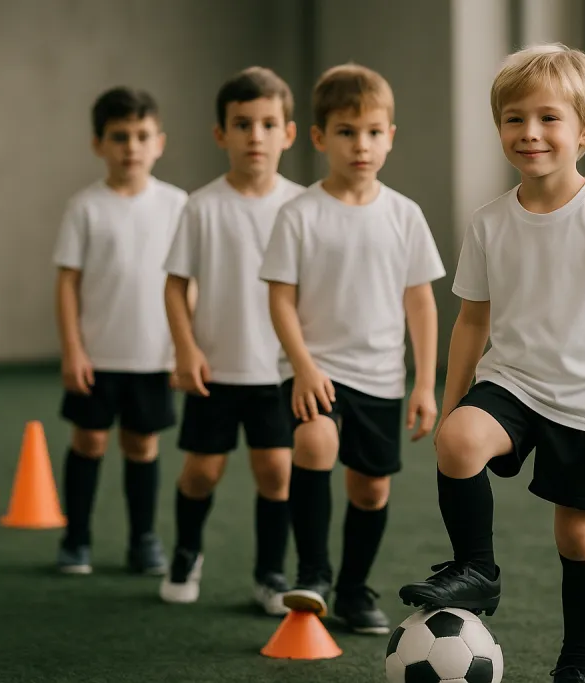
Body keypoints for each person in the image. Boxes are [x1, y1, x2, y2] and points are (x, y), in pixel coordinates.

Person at [398, 44, 585, 683]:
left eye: (549, 118)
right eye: (514, 118)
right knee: (460, 441)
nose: (530, 132)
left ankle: (577, 664)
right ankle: (477, 569)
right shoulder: (489, 222)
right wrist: (454, 401)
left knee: (579, 538)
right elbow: (472, 320)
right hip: (511, 382)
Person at [259, 63, 447, 635]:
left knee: (371, 488)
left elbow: (421, 304)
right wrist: (303, 367)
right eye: (346, 132)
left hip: (381, 378)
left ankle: (352, 590)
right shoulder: (298, 214)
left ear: (390, 136)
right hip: (314, 371)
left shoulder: (404, 215)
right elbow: (280, 300)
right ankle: (313, 575)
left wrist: (423, 383)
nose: (360, 145)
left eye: (372, 132)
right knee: (314, 441)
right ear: (319, 138)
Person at [157, 67, 304, 616]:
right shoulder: (201, 206)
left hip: (278, 373)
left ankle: (270, 573)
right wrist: (185, 348)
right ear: (221, 133)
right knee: (201, 473)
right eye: (243, 124)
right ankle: (186, 553)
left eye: (268, 124)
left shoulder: (303, 206)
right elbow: (175, 286)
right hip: (215, 370)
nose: (255, 136)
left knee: (277, 473)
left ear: (289, 133)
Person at [51, 87, 188, 576]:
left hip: (153, 356)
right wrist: (73, 350)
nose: (131, 146)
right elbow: (67, 283)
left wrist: (183, 348)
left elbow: (186, 283)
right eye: (119, 136)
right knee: (89, 441)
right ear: (98, 144)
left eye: (142, 136)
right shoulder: (84, 207)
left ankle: (143, 540)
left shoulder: (176, 205)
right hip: (98, 356)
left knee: (142, 446)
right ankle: (76, 539)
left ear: (159, 143)